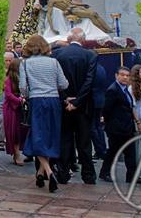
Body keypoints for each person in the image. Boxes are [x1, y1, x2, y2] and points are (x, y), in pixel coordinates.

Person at [20, 35, 69, 193]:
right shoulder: (54, 62)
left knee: (37, 135)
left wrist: (29, 92)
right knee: (50, 134)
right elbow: (63, 83)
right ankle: (40, 173)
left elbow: (23, 88)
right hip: (53, 100)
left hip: (37, 100)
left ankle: (48, 172)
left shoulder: (25, 63)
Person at [52, 27, 98, 184]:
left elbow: (56, 80)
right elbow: (89, 81)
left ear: (69, 39)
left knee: (64, 139)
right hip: (83, 106)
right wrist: (77, 101)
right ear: (83, 40)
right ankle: (88, 175)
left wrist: (66, 99)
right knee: (84, 142)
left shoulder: (58, 54)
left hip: (64, 105)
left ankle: (63, 173)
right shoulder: (90, 55)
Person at [100, 67, 138, 183]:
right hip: (116, 128)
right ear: (116, 75)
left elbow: (129, 106)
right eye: (122, 75)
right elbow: (107, 109)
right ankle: (105, 172)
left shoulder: (125, 90)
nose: (125, 77)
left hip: (127, 127)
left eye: (127, 75)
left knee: (130, 153)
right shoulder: (113, 90)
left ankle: (131, 177)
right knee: (113, 152)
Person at [3, 57, 28, 166]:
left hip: (19, 108)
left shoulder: (21, 78)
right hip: (11, 109)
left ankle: (18, 153)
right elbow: (8, 95)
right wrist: (19, 100)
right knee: (14, 132)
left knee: (20, 131)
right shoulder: (8, 79)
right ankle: (16, 154)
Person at [91, 61, 109, 160]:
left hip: (93, 100)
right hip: (101, 99)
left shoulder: (91, 69)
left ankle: (99, 150)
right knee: (98, 126)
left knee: (93, 127)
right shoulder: (101, 68)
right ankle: (102, 148)